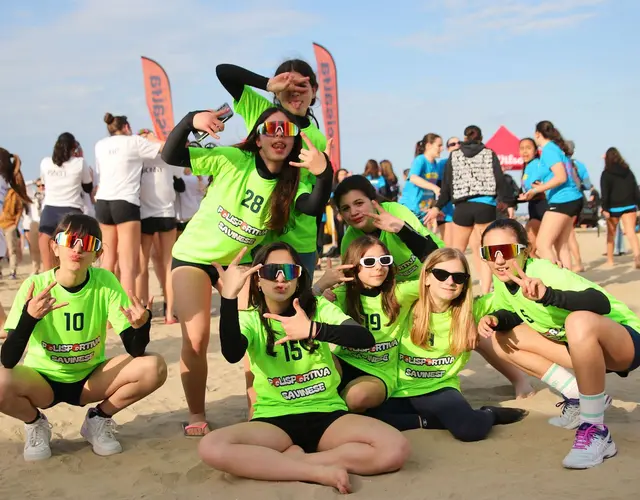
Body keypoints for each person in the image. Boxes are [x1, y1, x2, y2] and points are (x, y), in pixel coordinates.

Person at [161, 106, 334, 436]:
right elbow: (170, 155)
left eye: (287, 131)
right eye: (271, 128)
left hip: (240, 265)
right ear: (258, 137)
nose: (279, 135)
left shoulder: (289, 184)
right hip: (195, 258)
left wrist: (324, 171)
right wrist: (190, 120)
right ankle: (197, 413)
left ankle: (258, 407)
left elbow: (313, 206)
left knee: (254, 332)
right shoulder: (231, 159)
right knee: (196, 340)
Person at [198, 243, 410, 493]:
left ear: (298, 278)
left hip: (327, 413)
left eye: (289, 271)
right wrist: (228, 299)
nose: (280, 278)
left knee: (396, 448)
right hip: (275, 419)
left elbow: (364, 338)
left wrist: (312, 329)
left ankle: (295, 463)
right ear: (257, 280)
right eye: (271, 271)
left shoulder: (317, 309)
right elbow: (232, 353)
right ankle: (313, 471)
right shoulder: (251, 319)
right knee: (210, 447)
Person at [0, 213, 167, 461]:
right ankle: (35, 423)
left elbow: (134, 350)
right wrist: (29, 318)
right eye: (70, 240)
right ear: (55, 246)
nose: (78, 248)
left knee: (154, 367)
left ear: (97, 255)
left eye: (88, 243)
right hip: (43, 380)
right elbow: (8, 359)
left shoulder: (105, 282)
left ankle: (98, 419)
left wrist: (141, 326)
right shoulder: (35, 285)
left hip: (89, 379)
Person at [477, 218, 640, 468]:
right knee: (503, 339)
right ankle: (577, 396)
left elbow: (600, 302)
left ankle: (596, 431)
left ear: (525, 250)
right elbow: (516, 312)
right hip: (582, 350)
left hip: (622, 342)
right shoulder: (503, 281)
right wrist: (495, 318)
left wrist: (548, 295)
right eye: (490, 252)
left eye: (507, 251)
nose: (498, 260)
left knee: (578, 321)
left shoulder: (544, 272)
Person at [367, 248, 528, 440]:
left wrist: (542, 273)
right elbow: (366, 290)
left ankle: (490, 413)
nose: (449, 281)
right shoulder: (405, 304)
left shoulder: (471, 310)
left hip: (440, 388)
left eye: (458, 277)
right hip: (400, 387)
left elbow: (516, 296)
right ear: (426, 278)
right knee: (364, 416)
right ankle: (429, 421)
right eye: (441, 274)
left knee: (470, 431)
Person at [216, 60, 327, 277]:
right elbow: (224, 72)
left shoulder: (318, 140)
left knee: (298, 304)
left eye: (301, 86)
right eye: (287, 86)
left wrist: (314, 246)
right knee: (252, 306)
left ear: (314, 91)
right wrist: (266, 84)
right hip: (254, 235)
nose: (294, 92)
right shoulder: (261, 111)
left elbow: (315, 198)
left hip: (299, 239)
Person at [313, 236, 422, 413]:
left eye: (384, 260)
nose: (379, 267)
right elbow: (293, 313)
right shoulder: (339, 294)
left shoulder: (399, 293)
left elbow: (437, 282)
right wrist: (319, 287)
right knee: (317, 362)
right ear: (353, 266)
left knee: (355, 398)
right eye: (369, 262)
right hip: (344, 363)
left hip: (379, 372)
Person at [426, 125, 508, 295]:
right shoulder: (489, 153)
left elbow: (446, 187)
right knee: (486, 252)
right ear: (481, 137)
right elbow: (500, 180)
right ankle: (486, 292)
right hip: (486, 206)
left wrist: (437, 207)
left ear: (464, 138)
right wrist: (509, 201)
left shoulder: (454, 156)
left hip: (463, 207)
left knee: (456, 252)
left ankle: (455, 287)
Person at [94, 113, 164, 295]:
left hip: (103, 202)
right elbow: (163, 148)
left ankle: (106, 313)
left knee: (107, 262)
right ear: (126, 127)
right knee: (128, 266)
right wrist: (151, 138)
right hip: (125, 202)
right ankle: (126, 313)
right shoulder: (133, 141)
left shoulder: (100, 145)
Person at [335, 174, 443, 282]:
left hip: (432, 276)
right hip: (395, 292)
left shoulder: (396, 212)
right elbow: (355, 285)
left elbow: (434, 255)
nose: (353, 212)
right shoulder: (349, 241)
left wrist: (402, 230)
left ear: (374, 201)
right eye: (346, 208)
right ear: (340, 214)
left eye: (359, 203)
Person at [519, 121, 583, 269]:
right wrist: (536, 189)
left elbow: (561, 177)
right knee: (561, 245)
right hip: (571, 199)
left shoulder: (549, 150)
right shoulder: (556, 149)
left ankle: (557, 282)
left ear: (537, 134)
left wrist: (536, 190)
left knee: (542, 245)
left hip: (563, 199)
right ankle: (568, 286)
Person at [136, 129, 185, 324]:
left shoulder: (139, 159)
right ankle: (169, 313)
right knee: (167, 264)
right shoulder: (167, 156)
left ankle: (144, 309)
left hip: (147, 214)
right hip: (165, 213)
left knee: (142, 265)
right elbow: (178, 182)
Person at [39, 133, 93, 271]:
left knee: (46, 243)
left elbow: (44, 183)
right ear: (73, 148)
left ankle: (48, 275)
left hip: (50, 209)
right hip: (71, 209)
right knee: (71, 250)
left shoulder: (45, 162)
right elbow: (88, 188)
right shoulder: (79, 163)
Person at [600, 147, 640, 268]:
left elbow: (605, 192)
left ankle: (610, 260)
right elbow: (635, 189)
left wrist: (605, 208)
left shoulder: (606, 173)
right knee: (631, 232)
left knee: (611, 235)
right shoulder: (628, 171)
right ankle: (638, 257)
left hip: (613, 208)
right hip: (629, 205)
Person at [0, 149, 32, 280]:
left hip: (9, 224)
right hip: (3, 225)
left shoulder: (4, 185)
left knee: (12, 250)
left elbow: (18, 210)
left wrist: (15, 223)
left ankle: (12, 271)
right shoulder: (5, 183)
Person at [399, 134, 444, 227]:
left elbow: (429, 190)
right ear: (428, 146)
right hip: (410, 208)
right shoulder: (420, 160)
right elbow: (413, 178)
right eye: (439, 145)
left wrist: (435, 207)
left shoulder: (435, 165)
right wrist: (435, 188)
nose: (442, 149)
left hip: (422, 210)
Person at [520, 138, 546, 256]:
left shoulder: (536, 164)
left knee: (531, 246)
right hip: (533, 207)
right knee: (532, 248)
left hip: (542, 205)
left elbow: (537, 185)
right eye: (522, 148)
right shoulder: (527, 166)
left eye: (528, 148)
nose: (525, 151)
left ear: (536, 151)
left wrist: (528, 194)